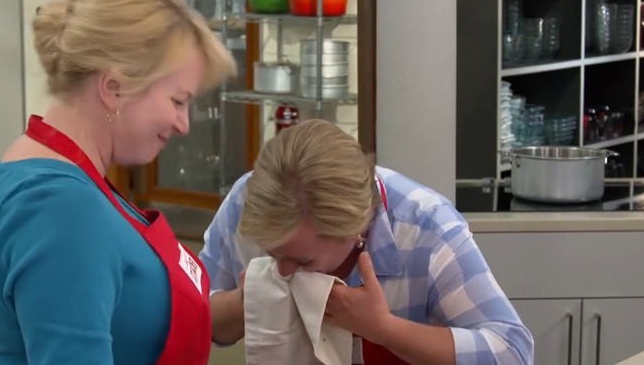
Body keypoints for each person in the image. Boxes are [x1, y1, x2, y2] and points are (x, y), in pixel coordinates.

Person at [0, 0, 236, 365]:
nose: (183, 124)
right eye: (178, 101)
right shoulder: (59, 208)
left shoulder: (66, 177)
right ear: (114, 88)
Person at [199, 119, 534, 365]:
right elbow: (198, 319)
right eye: (272, 254)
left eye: (302, 261)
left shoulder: (427, 229)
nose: (282, 273)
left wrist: (384, 329)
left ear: (357, 228)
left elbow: (513, 352)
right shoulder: (248, 202)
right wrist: (246, 302)